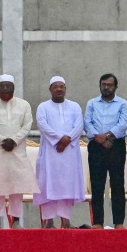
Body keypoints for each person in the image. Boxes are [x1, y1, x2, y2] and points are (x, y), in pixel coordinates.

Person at [0, 74, 36, 229]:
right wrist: (2, 140)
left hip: (16, 151)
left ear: (14, 88)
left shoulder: (24, 105)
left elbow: (27, 125)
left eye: (8, 86)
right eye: (2, 86)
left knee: (16, 186)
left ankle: (16, 220)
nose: (5, 89)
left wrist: (14, 140)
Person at [34, 76, 84, 229]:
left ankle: (66, 219)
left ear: (65, 89)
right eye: (55, 86)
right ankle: (49, 221)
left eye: (62, 86)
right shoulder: (43, 107)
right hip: (50, 151)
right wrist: (58, 139)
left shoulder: (75, 106)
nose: (59, 89)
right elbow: (42, 125)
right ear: (50, 89)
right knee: (48, 183)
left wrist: (67, 140)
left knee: (67, 185)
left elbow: (79, 125)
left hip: (69, 152)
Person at [83, 73, 127, 228]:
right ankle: (97, 222)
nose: (106, 87)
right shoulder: (92, 103)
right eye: (104, 84)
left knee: (117, 184)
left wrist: (107, 136)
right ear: (100, 85)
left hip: (115, 145)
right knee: (97, 185)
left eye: (110, 85)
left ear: (115, 87)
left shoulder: (122, 103)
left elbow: (123, 124)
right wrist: (99, 138)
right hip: (96, 146)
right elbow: (87, 122)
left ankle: (118, 222)